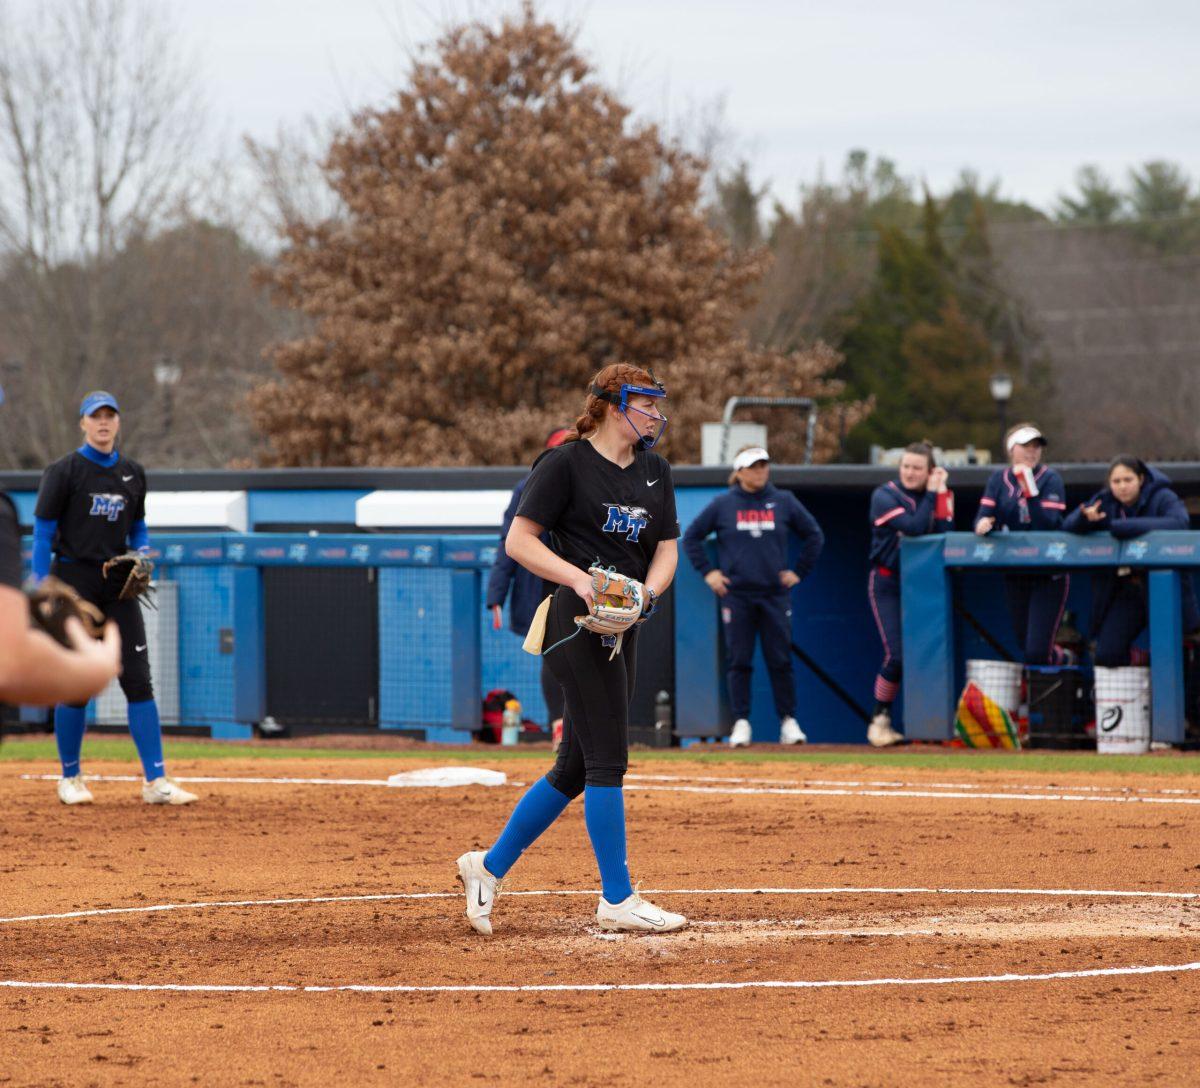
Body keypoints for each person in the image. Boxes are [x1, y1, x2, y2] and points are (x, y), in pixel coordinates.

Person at [456, 363, 685, 935]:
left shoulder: (656, 471)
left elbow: (667, 549)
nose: (658, 414)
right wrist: (581, 579)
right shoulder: (566, 463)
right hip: (574, 621)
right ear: (614, 405)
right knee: (608, 759)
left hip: (621, 625)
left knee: (574, 767)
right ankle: (617, 898)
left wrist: (646, 595)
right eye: (647, 403)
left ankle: (488, 867)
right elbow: (518, 540)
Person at [33, 391, 198, 806]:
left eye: (110, 415)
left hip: (118, 582)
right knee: (77, 682)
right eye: (96, 416)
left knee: (138, 679)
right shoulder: (65, 471)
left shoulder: (132, 473)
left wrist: (141, 554)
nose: (103, 422)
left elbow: (139, 527)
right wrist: (41, 583)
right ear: (83, 423)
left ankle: (155, 782)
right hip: (74, 581)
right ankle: (70, 778)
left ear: (118, 422)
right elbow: (41, 531)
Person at [681, 446, 823, 747]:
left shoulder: (784, 501)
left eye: (763, 465)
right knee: (739, 660)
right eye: (753, 466)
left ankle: (788, 721)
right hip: (738, 596)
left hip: (774, 595)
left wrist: (798, 571)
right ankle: (741, 722)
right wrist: (709, 572)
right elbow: (691, 537)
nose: (760, 471)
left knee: (780, 659)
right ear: (740, 471)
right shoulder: (723, 504)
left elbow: (814, 535)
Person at [1064, 455, 1198, 665]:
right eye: (1116, 482)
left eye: (1128, 480)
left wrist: (1124, 527)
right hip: (1127, 588)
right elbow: (1068, 525)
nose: (1122, 487)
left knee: (1174, 655)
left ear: (1141, 479)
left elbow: (1179, 521)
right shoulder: (1106, 500)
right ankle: (1140, 664)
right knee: (1106, 654)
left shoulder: (1161, 496)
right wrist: (1084, 519)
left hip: (1163, 587)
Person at [486, 428, 572, 746]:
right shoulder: (528, 487)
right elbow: (508, 544)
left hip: (585, 582)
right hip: (541, 586)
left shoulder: (594, 480)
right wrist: (496, 595)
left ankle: (581, 727)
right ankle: (560, 725)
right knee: (553, 655)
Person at [866, 441, 954, 747]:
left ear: (930, 471)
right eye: (906, 466)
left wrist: (940, 493)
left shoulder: (937, 493)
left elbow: (944, 529)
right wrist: (932, 492)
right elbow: (916, 527)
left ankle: (930, 727)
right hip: (887, 583)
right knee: (897, 655)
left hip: (923, 586)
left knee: (928, 654)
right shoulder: (885, 495)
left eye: (918, 468)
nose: (910, 473)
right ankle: (880, 719)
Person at [974, 423, 1070, 665]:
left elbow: (1047, 523)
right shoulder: (998, 479)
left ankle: (1056, 676)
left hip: (1048, 573)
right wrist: (985, 525)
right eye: (1025, 445)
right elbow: (983, 516)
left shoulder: (1050, 478)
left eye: (1036, 446)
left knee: (1036, 651)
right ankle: (1062, 658)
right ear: (1011, 449)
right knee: (1024, 643)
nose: (1032, 451)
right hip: (1016, 571)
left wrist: (1030, 490)